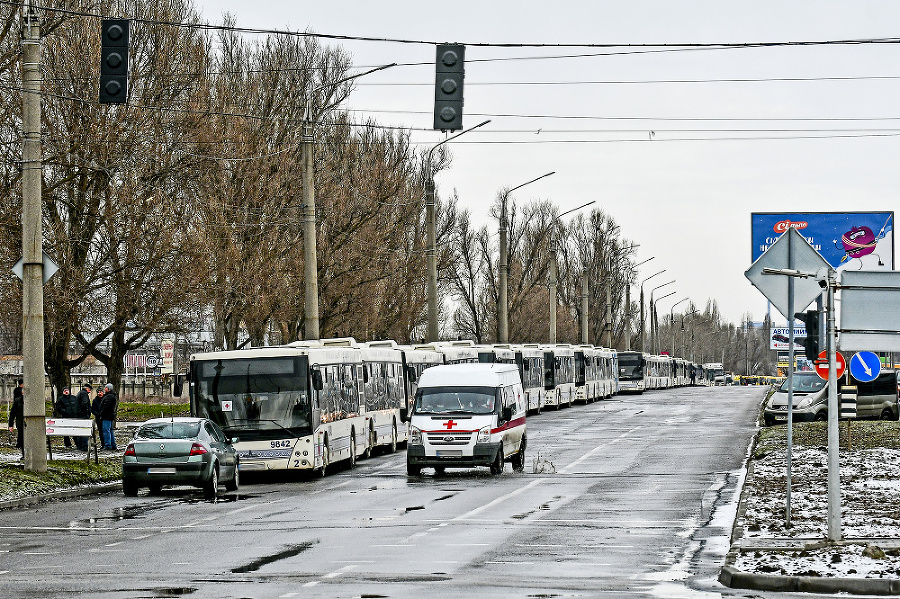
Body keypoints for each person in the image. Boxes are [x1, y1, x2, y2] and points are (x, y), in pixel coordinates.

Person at [98, 383, 118, 450]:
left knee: (106, 431)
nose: (104, 389)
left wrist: (101, 413)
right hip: (109, 416)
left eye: (106, 388)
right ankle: (112, 444)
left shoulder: (109, 397)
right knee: (110, 430)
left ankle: (108, 445)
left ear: (109, 389)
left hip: (106, 416)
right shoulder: (111, 396)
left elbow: (105, 407)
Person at [8, 379, 24, 455]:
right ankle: (20, 447)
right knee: (21, 434)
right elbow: (12, 413)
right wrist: (10, 425)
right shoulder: (18, 401)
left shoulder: (31, 402)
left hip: (28, 422)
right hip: (20, 421)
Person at [74, 383, 92, 451]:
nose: (89, 392)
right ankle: (84, 446)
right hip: (83, 416)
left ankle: (79, 446)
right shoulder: (84, 394)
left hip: (79, 415)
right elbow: (85, 403)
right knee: (84, 431)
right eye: (89, 390)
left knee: (80, 431)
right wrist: (87, 412)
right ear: (87, 388)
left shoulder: (80, 393)